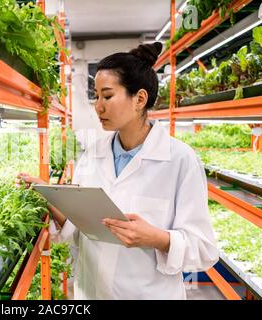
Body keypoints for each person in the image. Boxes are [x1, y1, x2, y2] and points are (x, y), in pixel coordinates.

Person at [15, 42, 219, 300]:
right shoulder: (92, 155)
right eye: (96, 96)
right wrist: (49, 195)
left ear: (140, 99)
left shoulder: (180, 160)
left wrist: (158, 238)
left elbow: (204, 249)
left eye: (108, 96)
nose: (98, 106)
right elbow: (79, 230)